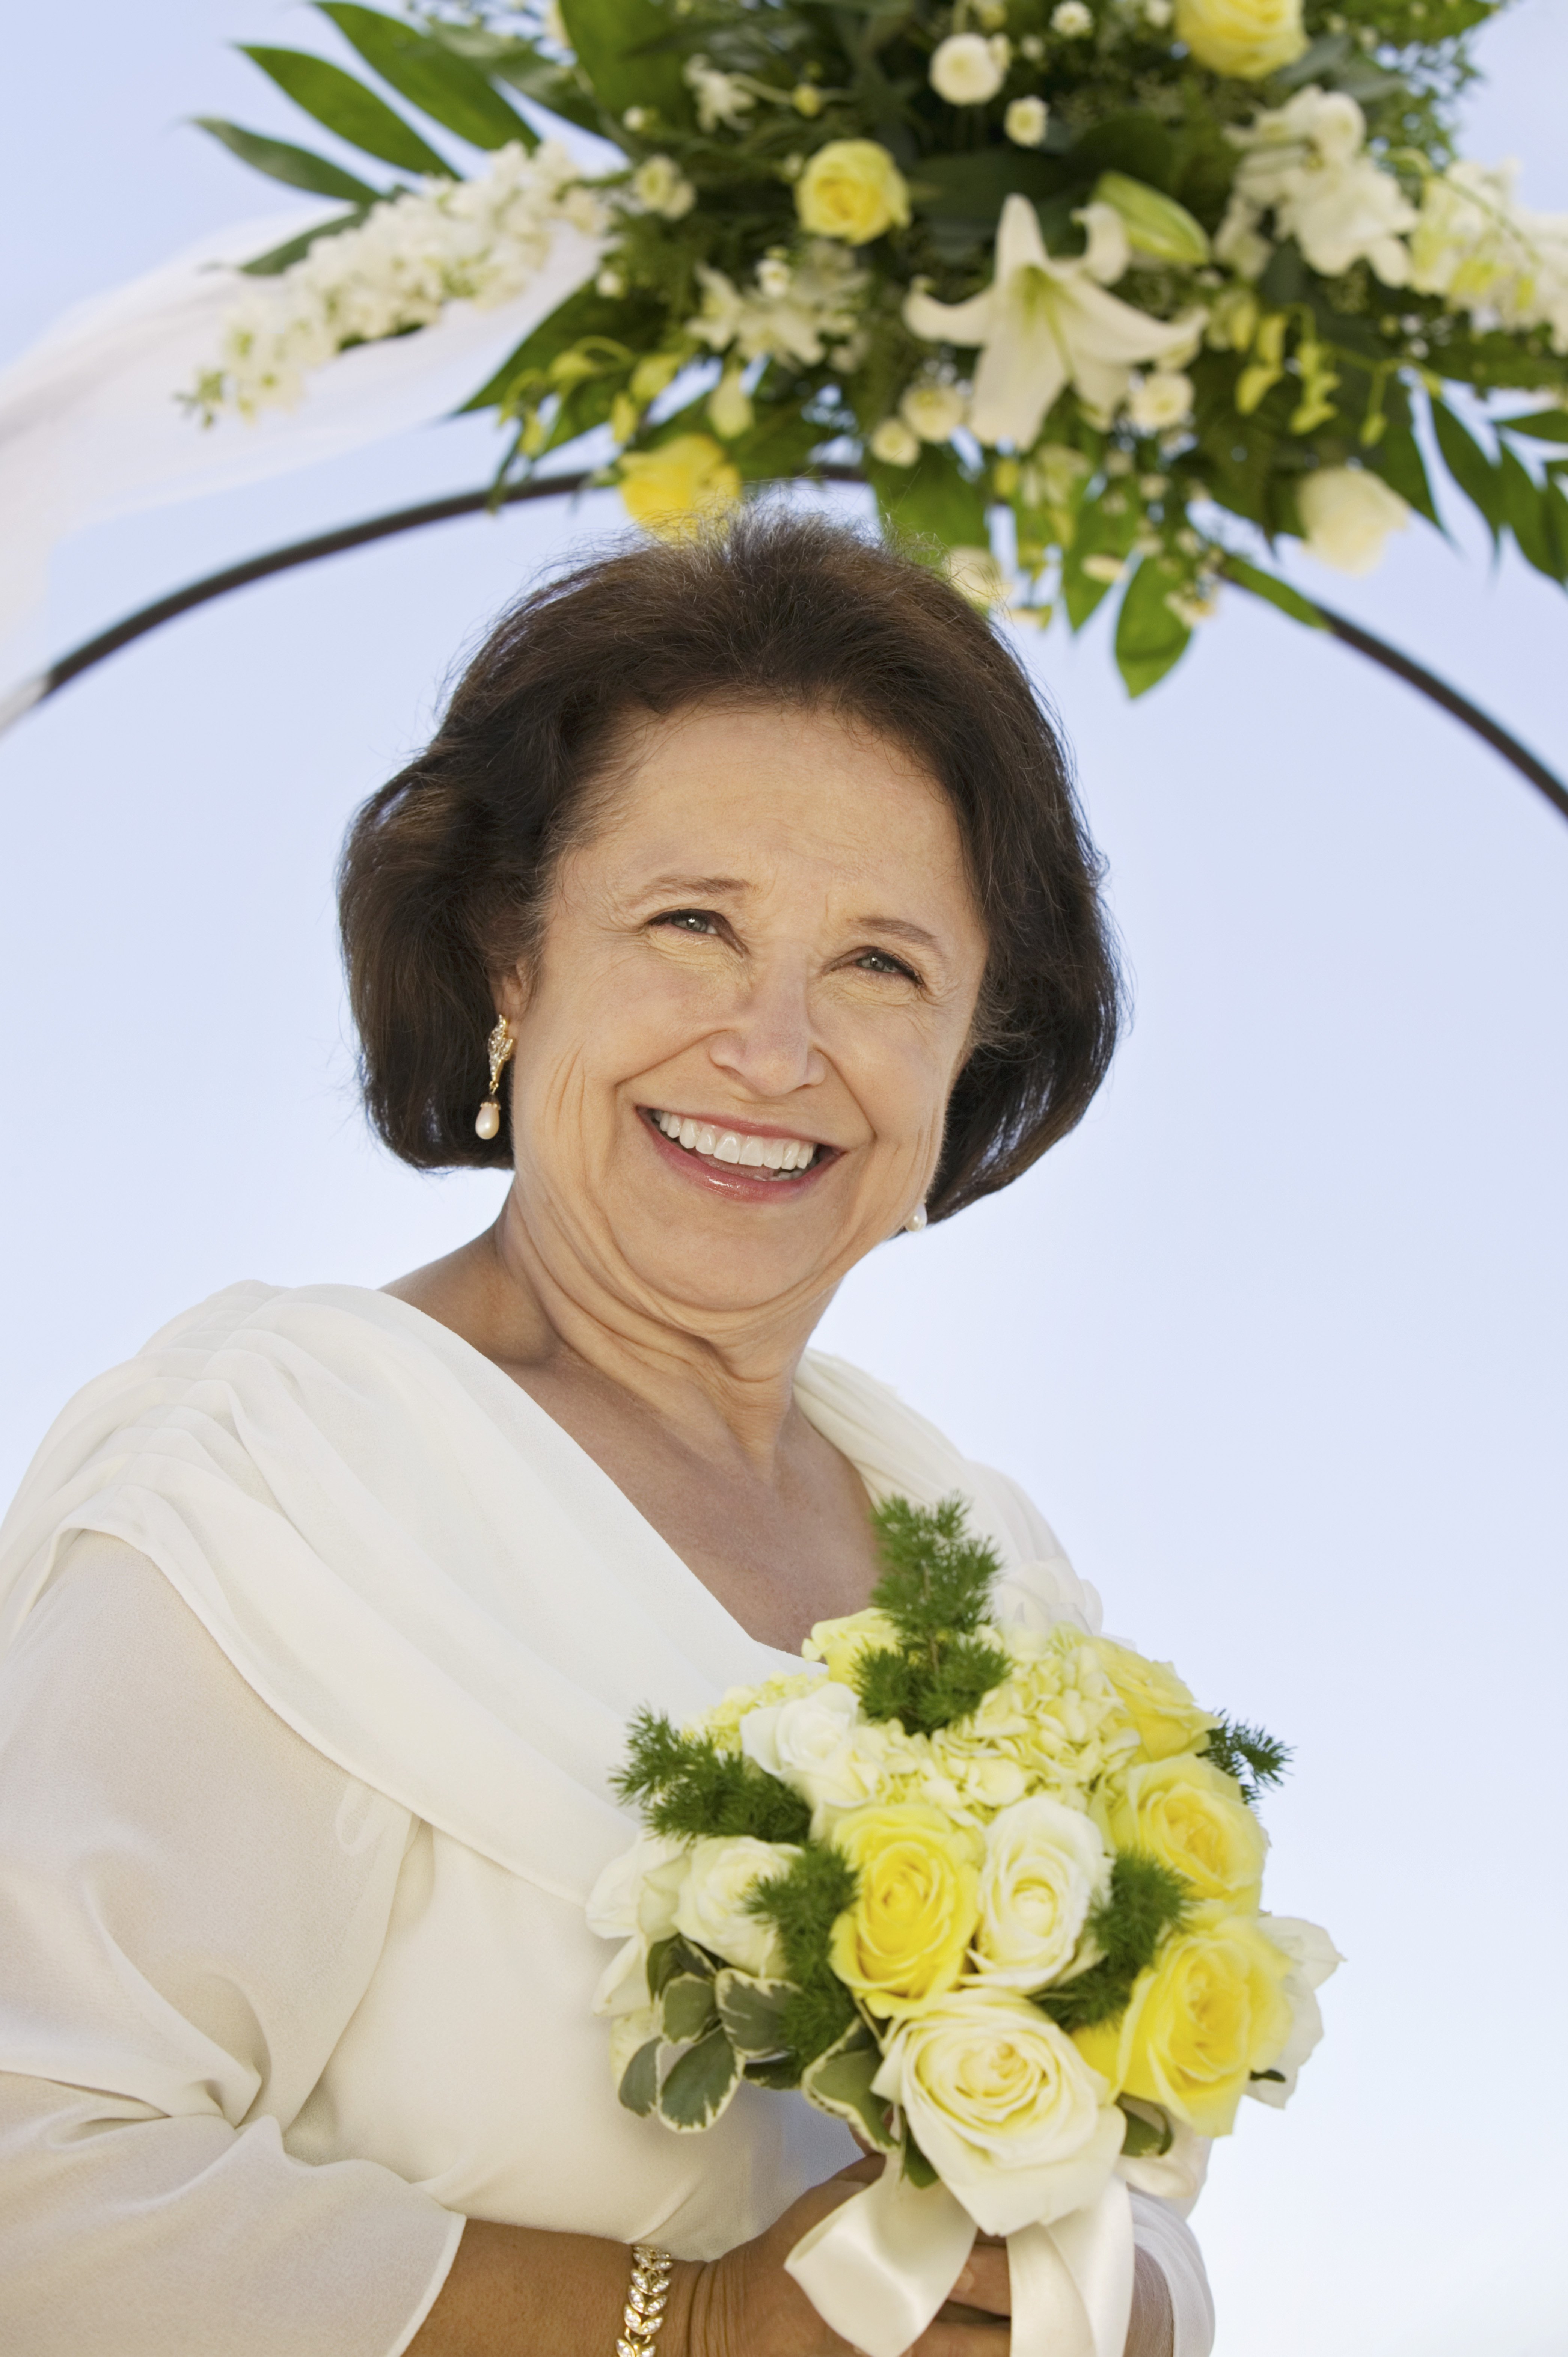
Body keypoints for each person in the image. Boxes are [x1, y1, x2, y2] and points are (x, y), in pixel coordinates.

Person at [0, 512, 1213, 2356]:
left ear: (975, 1044)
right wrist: (685, 2327)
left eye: (882, 965)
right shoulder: (283, 1469)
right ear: (510, 956)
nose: (775, 1044)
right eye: (691, 923)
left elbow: (1136, 2197)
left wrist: (1090, 2300)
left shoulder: (986, 1549)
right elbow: (35, 2177)